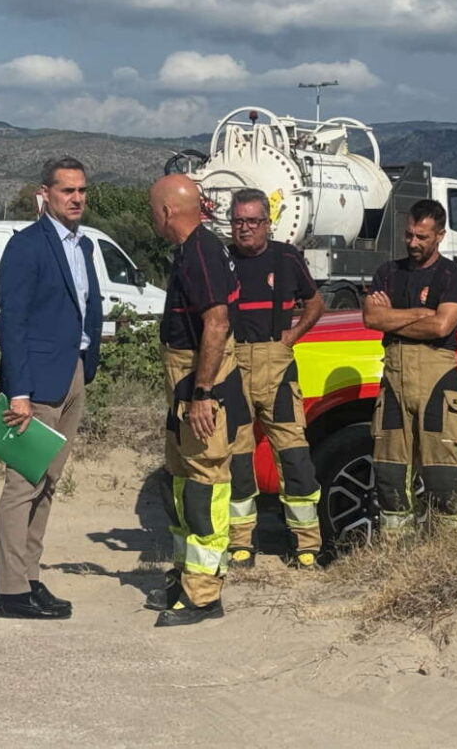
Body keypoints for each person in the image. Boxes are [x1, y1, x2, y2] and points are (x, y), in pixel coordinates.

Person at [0, 157, 103, 620]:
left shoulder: (84, 246)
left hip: (73, 372)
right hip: (36, 383)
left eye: (81, 191)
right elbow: (12, 321)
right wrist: (18, 390)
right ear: (46, 193)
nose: (76, 198)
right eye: (67, 191)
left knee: (49, 482)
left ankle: (31, 576)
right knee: (23, 483)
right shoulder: (27, 246)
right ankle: (12, 591)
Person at [145, 173, 247, 627]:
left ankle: (204, 594)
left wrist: (203, 393)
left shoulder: (201, 251)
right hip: (184, 382)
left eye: (153, 209)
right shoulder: (192, 251)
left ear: (168, 211)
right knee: (181, 480)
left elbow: (217, 323)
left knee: (204, 484)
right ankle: (188, 575)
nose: (152, 217)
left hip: (199, 383)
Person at [226, 189, 326, 569]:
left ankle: (306, 544)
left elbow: (316, 303)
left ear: (268, 223)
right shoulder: (224, 259)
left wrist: (293, 335)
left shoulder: (286, 257)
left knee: (295, 455)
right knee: (237, 455)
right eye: (239, 221)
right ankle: (240, 543)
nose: (245, 228)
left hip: (278, 363)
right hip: (234, 365)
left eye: (253, 221)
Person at [362, 199, 457, 538]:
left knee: (442, 472)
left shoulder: (453, 275)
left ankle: (451, 550)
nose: (412, 243)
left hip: (436, 374)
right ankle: (396, 549)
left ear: (440, 235)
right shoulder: (387, 272)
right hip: (394, 374)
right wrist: (421, 314)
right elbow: (371, 318)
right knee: (390, 470)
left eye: (422, 237)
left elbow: (441, 328)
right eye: (409, 234)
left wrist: (393, 319)